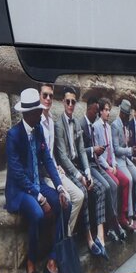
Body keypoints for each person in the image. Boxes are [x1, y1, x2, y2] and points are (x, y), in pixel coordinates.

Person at [5, 87, 72, 273]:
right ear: (28, 113)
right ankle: (31, 261)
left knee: (65, 204)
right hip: (20, 190)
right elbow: (17, 174)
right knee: (37, 214)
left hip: (37, 184)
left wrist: (59, 187)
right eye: (37, 110)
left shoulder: (38, 130)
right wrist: (41, 199)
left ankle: (52, 260)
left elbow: (48, 160)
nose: (40, 113)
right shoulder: (13, 135)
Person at [54, 86, 107, 257]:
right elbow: (62, 156)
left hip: (78, 166)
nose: (70, 104)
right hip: (68, 170)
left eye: (73, 102)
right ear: (63, 102)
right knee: (83, 191)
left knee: (99, 188)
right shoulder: (58, 125)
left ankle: (101, 236)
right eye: (67, 101)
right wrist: (79, 176)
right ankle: (89, 239)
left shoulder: (76, 123)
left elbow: (82, 151)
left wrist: (87, 173)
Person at [39, 84, 86, 239]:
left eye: (50, 96)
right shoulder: (38, 122)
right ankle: (62, 241)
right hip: (45, 175)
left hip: (55, 170)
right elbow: (41, 158)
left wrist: (57, 166)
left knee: (79, 196)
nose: (47, 99)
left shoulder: (51, 121)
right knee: (65, 199)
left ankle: (67, 235)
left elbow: (51, 154)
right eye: (44, 95)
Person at [88, 100, 131, 241]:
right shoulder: (96, 127)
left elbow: (111, 149)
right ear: (100, 111)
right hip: (102, 165)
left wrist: (114, 165)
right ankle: (111, 225)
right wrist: (108, 166)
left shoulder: (107, 127)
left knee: (123, 181)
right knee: (114, 184)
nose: (107, 113)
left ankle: (119, 218)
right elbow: (97, 155)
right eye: (105, 110)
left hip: (111, 165)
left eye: (109, 110)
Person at [111, 99, 136, 227]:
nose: (127, 118)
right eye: (126, 115)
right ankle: (128, 215)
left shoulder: (124, 125)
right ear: (122, 114)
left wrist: (132, 151)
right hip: (119, 160)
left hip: (126, 159)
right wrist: (130, 150)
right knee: (129, 179)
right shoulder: (115, 125)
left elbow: (125, 144)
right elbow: (116, 149)